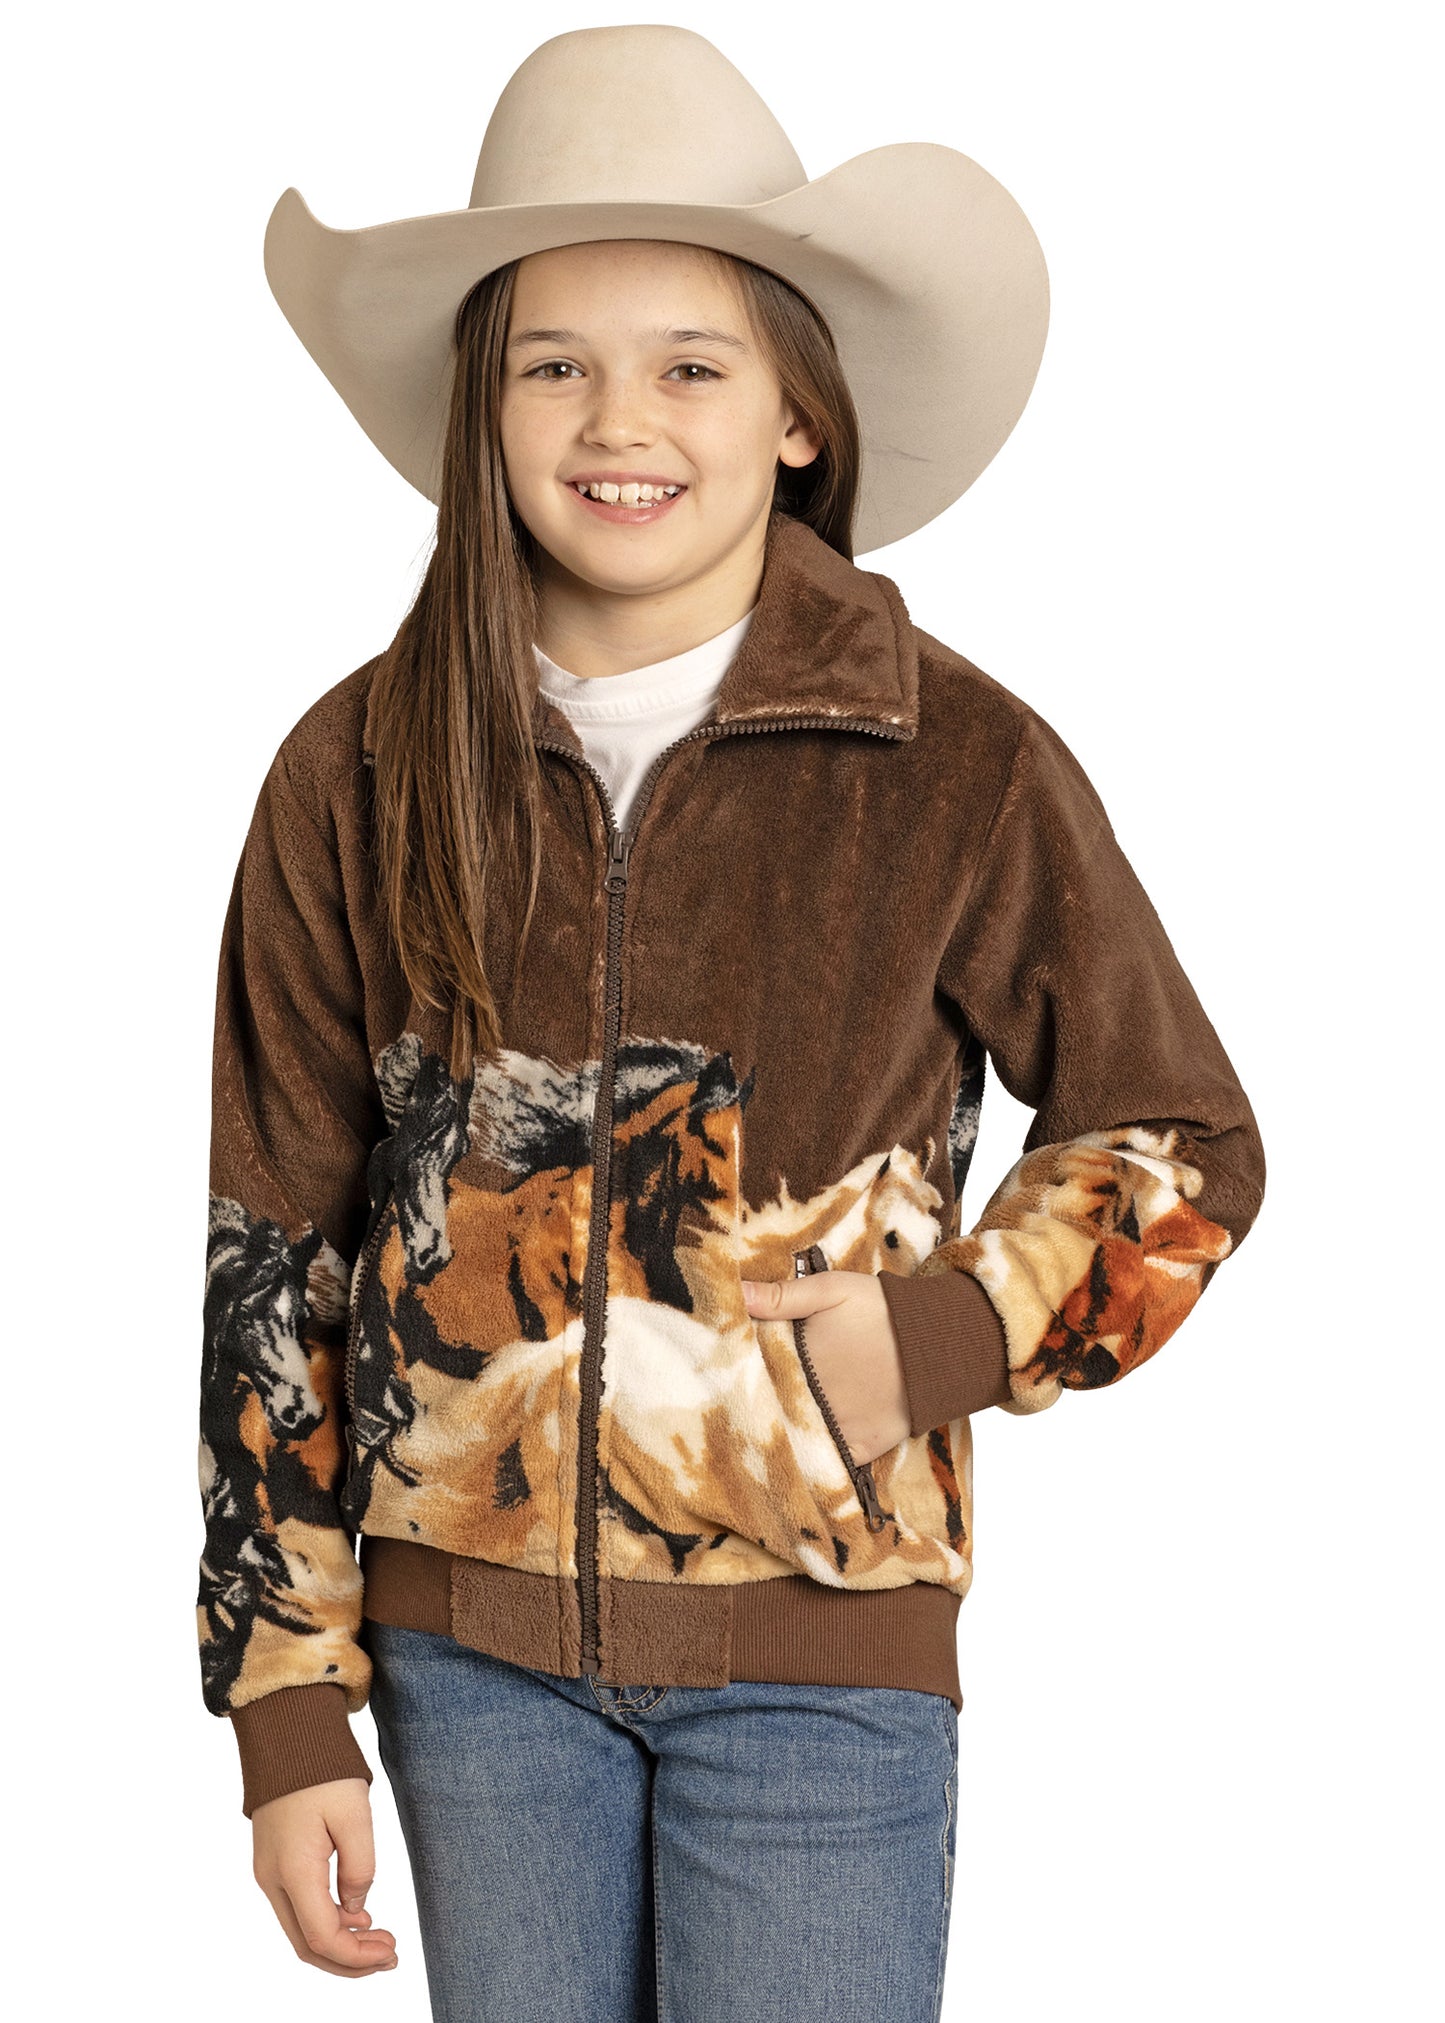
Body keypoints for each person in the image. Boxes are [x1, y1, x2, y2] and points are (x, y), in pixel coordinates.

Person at [195, 25, 1266, 2022]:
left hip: (821, 1667)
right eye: (554, 365)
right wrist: (285, 1703)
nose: (623, 420)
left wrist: (937, 1340)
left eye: (691, 364)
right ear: (481, 408)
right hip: (466, 1671)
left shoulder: (951, 758)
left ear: (795, 414)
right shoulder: (359, 770)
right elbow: (276, 1244)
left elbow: (1181, 1135)